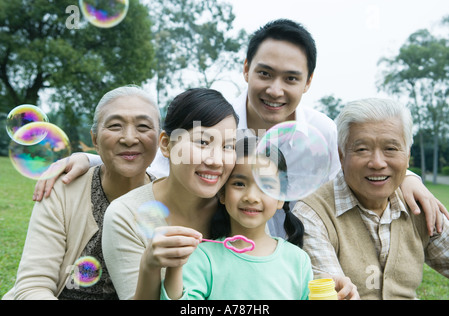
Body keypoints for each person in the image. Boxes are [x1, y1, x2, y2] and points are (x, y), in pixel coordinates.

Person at [32, 19, 447, 237]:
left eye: (290, 78)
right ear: (246, 68)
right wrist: (88, 157)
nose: (275, 89)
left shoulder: (320, 132)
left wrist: (410, 178)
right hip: (214, 243)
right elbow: (161, 158)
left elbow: (359, 165)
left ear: (308, 83)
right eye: (264, 73)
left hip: (287, 248)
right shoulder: (213, 119)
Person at [2, 85, 160, 300]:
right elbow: (33, 286)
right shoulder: (63, 189)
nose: (129, 138)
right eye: (115, 126)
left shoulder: (172, 197)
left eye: (143, 126)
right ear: (94, 139)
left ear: (161, 140)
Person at [293, 98, 449, 299]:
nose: (377, 163)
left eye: (391, 149)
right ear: (341, 156)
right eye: (362, 149)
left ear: (408, 156)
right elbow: (334, 293)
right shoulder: (312, 214)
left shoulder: (418, 205)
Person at [101, 88, 239, 299]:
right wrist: (150, 266)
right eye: (202, 142)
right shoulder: (125, 215)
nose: (216, 160)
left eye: (228, 146)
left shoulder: (239, 206)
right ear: (166, 144)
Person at [160, 136, 314, 300]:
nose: (251, 197)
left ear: (281, 197)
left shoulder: (298, 260)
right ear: (222, 193)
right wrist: (175, 266)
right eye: (239, 184)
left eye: (266, 186)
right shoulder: (203, 258)